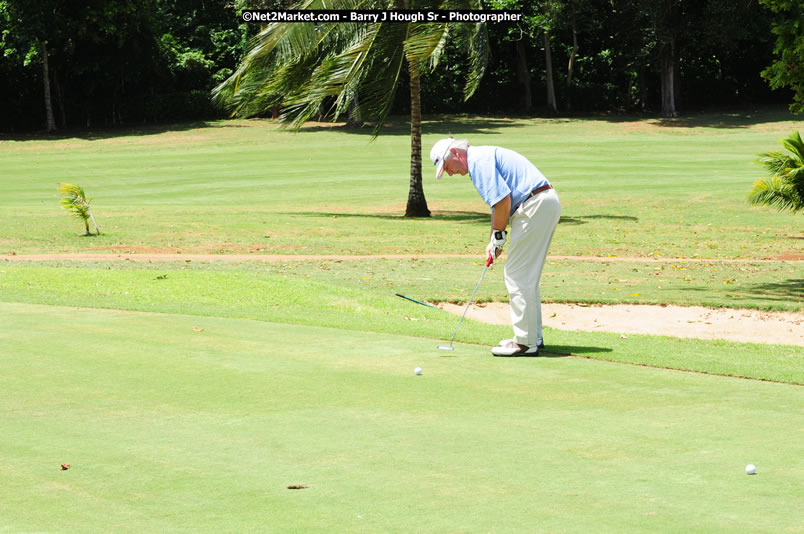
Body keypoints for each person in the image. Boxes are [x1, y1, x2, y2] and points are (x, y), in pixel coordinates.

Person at [430, 137, 561, 356]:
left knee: (517, 275)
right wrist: (494, 240)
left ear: (455, 152)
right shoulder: (482, 158)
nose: (450, 173)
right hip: (541, 203)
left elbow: (502, 201)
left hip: (534, 205)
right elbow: (498, 206)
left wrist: (499, 235)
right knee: (526, 277)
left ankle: (526, 343)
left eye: (448, 167)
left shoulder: (478, 161)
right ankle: (532, 337)